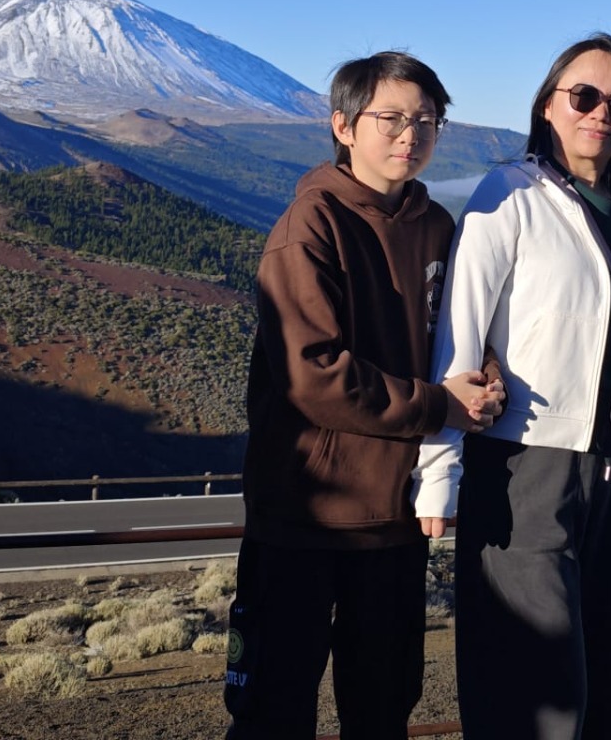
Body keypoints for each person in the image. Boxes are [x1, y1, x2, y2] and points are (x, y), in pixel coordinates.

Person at [224, 52, 505, 740]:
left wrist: (488, 373)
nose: (410, 134)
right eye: (390, 118)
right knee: (273, 710)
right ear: (343, 126)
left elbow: (463, 331)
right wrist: (440, 406)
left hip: (394, 520)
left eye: (426, 120)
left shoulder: (437, 226)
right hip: (304, 516)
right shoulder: (310, 226)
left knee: (383, 710)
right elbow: (314, 374)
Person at [414, 34, 611, 740]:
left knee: (601, 676)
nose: (601, 114)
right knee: (534, 685)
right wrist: (439, 470)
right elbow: (459, 335)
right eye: (583, 96)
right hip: (524, 461)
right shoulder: (510, 194)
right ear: (548, 107)